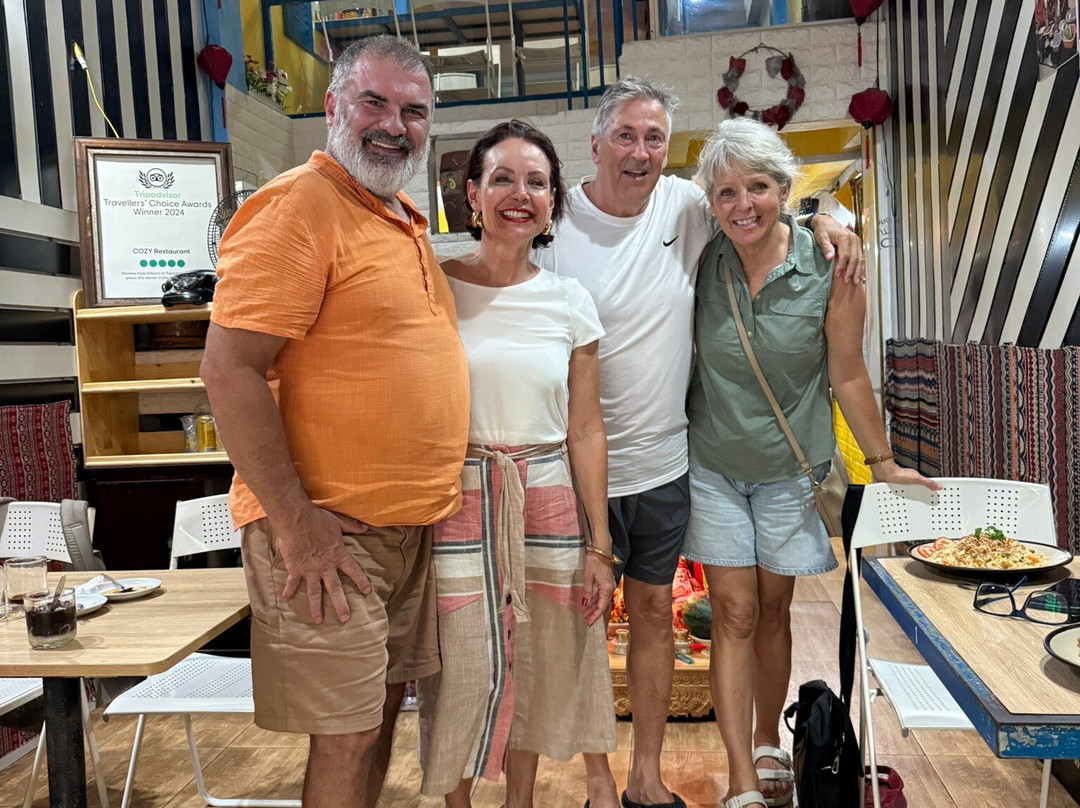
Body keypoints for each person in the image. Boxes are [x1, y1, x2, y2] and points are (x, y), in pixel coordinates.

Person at [533, 77, 864, 808]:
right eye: (625, 135)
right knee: (580, 627)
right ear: (595, 143)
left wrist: (828, 219)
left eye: (653, 137)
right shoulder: (555, 224)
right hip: (575, 466)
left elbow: (759, 202)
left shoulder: (685, 205)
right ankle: (597, 779)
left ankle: (646, 777)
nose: (640, 151)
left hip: (663, 463)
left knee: (654, 616)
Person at [200, 36, 469, 808]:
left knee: (376, 717)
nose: (394, 125)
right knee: (347, 733)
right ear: (332, 106)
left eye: (413, 111)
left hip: (403, 532)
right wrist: (296, 523)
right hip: (328, 533)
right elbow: (229, 370)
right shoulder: (299, 206)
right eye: (373, 103)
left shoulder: (397, 216)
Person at [684, 117, 939, 808]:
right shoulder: (701, 257)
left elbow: (848, 373)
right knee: (734, 612)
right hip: (712, 464)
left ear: (784, 189)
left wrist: (883, 463)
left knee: (773, 611)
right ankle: (741, 777)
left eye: (758, 188)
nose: (743, 205)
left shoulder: (830, 267)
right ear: (711, 202)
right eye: (727, 192)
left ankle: (768, 737)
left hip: (790, 472)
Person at [418, 120, 619, 808]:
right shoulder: (434, 288)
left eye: (536, 182)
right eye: (501, 178)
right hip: (458, 495)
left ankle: (520, 802)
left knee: (535, 660)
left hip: (547, 493)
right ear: (472, 195)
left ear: (552, 201)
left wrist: (600, 546)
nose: (519, 194)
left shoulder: (570, 301)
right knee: (459, 663)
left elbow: (585, 430)